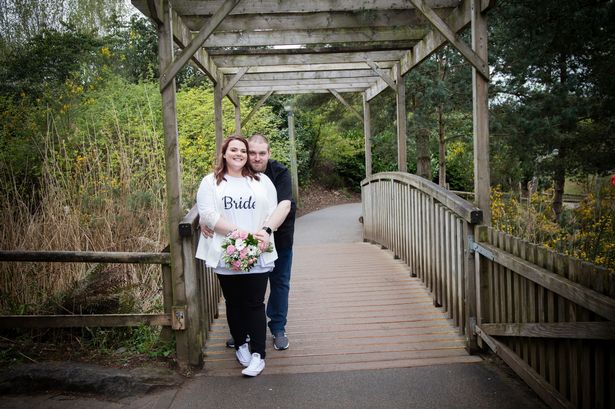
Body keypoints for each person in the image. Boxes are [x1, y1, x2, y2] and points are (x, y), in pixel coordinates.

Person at [195, 135, 288, 377]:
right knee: (234, 303)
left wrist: (263, 233)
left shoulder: (261, 181)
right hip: (226, 252)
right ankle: (240, 345)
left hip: (256, 250)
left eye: (243, 151)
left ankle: (258, 355)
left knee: (255, 303)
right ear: (224, 153)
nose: (239, 154)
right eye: (233, 149)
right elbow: (207, 213)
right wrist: (239, 233)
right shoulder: (210, 182)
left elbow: (273, 210)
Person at [247, 133, 296, 350]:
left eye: (262, 153)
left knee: (279, 283)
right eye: (252, 153)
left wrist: (268, 230)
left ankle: (278, 328)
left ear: (269, 153)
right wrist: (205, 220)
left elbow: (284, 205)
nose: (257, 158)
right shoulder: (238, 172)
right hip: (248, 240)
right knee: (248, 286)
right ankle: (246, 329)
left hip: (280, 238)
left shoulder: (280, 172)